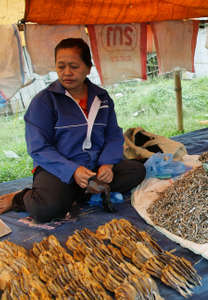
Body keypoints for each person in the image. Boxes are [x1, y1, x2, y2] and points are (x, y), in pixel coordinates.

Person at [0, 38, 145, 222]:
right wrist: (73, 170)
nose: (66, 73)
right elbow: (38, 148)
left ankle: (78, 190)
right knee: (46, 210)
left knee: (137, 171)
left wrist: (107, 164)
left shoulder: (102, 98)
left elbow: (113, 135)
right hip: (58, 169)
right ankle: (20, 198)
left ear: (88, 68)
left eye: (74, 66)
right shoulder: (44, 101)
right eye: (61, 66)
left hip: (94, 167)